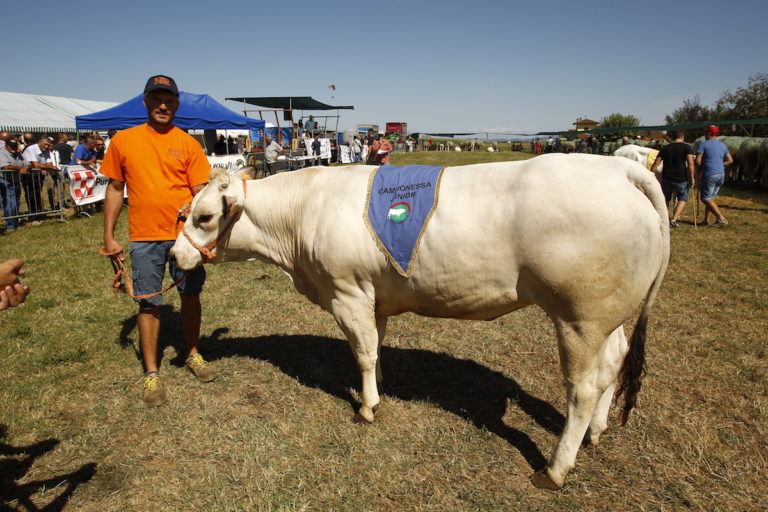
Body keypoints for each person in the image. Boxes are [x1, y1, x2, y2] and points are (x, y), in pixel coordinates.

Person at [101, 74, 215, 406]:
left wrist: (194, 207)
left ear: (177, 104)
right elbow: (113, 188)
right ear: (146, 102)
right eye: (156, 99)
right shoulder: (124, 140)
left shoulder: (189, 144)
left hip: (184, 239)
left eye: (169, 100)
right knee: (148, 302)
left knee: (190, 295)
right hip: (145, 237)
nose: (163, 105)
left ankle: (192, 353)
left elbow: (200, 192)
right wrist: (108, 236)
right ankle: (152, 374)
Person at [651, 130, 695, 227]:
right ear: (682, 137)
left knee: (665, 199)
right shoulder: (686, 147)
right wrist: (692, 177)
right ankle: (674, 218)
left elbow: (656, 163)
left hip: (667, 177)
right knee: (682, 198)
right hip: (681, 178)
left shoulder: (665, 148)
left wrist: (650, 174)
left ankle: (664, 219)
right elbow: (691, 163)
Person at [695, 125, 732, 226]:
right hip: (721, 174)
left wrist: (698, 169)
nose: (705, 134)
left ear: (710, 134)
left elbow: (698, 161)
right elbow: (730, 160)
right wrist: (720, 164)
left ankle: (721, 218)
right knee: (711, 198)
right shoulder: (723, 145)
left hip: (709, 174)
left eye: (706, 132)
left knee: (705, 198)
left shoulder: (703, 144)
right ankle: (705, 221)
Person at [22, 137, 57, 222]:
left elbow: (49, 163)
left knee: (37, 194)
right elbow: (36, 164)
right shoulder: (31, 149)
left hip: (38, 175)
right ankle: (32, 217)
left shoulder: (46, 150)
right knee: (31, 195)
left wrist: (46, 166)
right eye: (45, 144)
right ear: (39, 143)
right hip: (28, 175)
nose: (46, 147)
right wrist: (47, 167)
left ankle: (39, 214)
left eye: (48, 145)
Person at [0, 139, 25, 231]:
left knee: (16, 202)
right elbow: (5, 166)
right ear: (6, 147)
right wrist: (20, 168)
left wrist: (27, 167)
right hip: (6, 181)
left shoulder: (19, 154)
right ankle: (10, 225)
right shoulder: (2, 153)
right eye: (11, 146)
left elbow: (26, 163)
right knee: (10, 203)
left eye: (15, 146)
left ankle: (15, 221)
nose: (14, 148)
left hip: (16, 181)